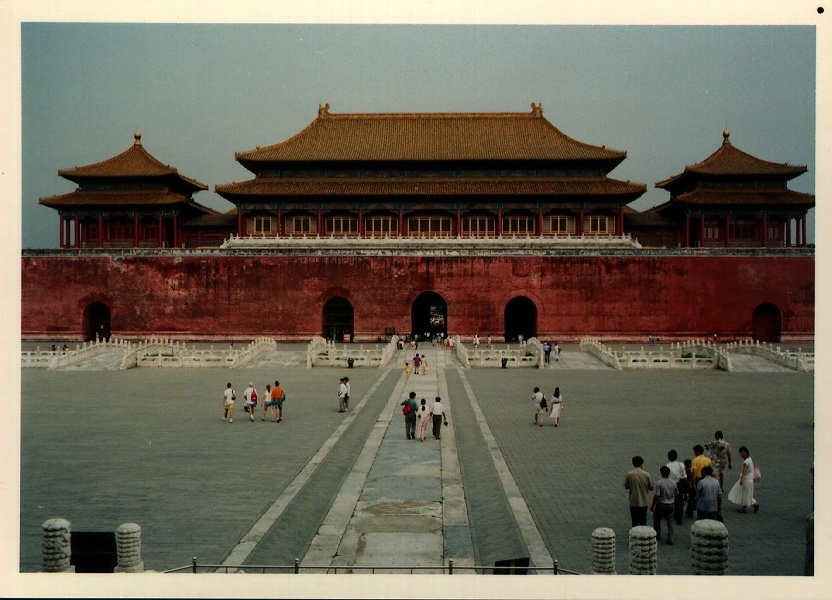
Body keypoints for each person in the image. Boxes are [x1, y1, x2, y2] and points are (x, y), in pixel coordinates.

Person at [624, 456, 655, 527]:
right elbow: (652, 487)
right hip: (644, 501)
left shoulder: (629, 474)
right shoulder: (646, 474)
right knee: (643, 520)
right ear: (642, 464)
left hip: (633, 501)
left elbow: (626, 486)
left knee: (634, 521)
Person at [727, 446, 759, 513]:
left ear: (747, 453)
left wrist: (742, 479)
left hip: (746, 480)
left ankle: (746, 507)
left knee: (744, 494)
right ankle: (753, 504)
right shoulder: (750, 459)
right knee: (746, 494)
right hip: (750, 480)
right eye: (741, 452)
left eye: (744, 452)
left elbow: (745, 471)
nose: (742, 454)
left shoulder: (746, 462)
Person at [651, 465, 678, 544]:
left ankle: (657, 534)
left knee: (657, 519)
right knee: (670, 522)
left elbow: (657, 495)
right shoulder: (673, 482)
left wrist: (653, 505)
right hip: (671, 504)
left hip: (661, 504)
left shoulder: (659, 483)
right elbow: (676, 494)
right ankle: (670, 538)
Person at [687, 444, 712, 517]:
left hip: (698, 479)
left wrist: (693, 482)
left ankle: (690, 511)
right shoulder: (708, 460)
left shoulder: (695, 460)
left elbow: (694, 472)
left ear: (697, 452)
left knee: (693, 496)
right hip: (706, 478)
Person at [666, 450, 688, 525]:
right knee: (680, 501)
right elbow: (684, 476)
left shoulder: (667, 466)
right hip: (679, 484)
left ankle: (671, 515)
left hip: (671, 484)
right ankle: (679, 518)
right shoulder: (681, 464)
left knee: (671, 500)